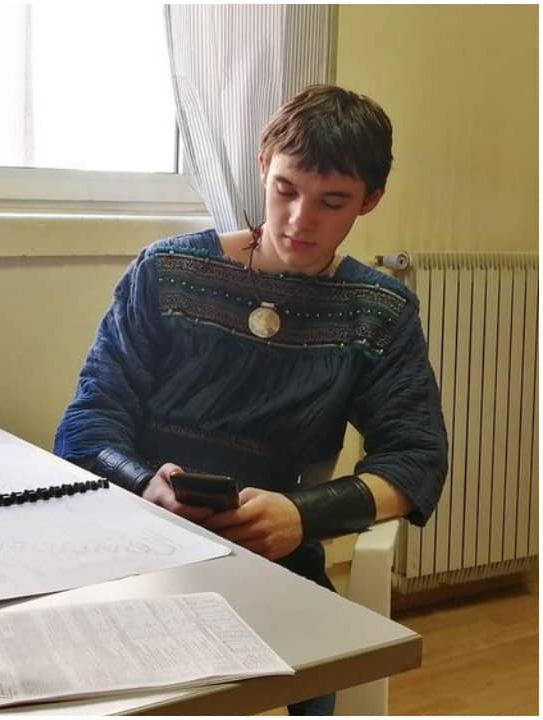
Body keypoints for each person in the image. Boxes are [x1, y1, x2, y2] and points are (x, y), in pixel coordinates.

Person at [53, 84, 448, 716]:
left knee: (310, 665)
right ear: (263, 167)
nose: (299, 220)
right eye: (286, 189)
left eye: (332, 202)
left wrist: (300, 516)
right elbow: (85, 425)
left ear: (370, 200)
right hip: (138, 539)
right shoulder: (166, 271)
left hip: (278, 557)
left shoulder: (379, 310)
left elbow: (416, 461)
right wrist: (146, 483)